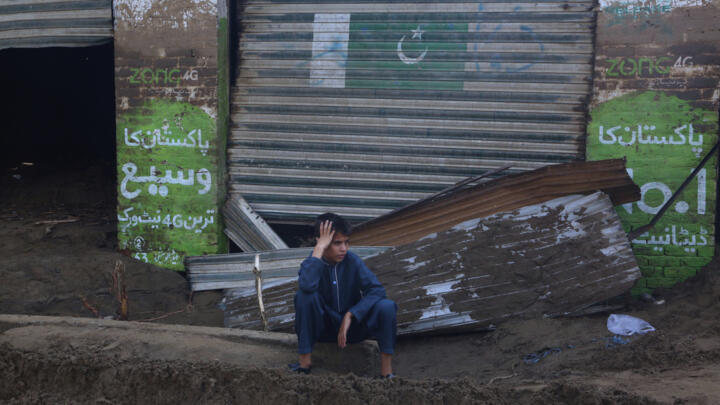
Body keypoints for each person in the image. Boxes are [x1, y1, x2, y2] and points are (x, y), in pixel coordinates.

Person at [288, 213, 397, 378]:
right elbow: (307, 286)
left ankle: (386, 373)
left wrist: (351, 314)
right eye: (337, 243)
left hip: (351, 330)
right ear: (322, 243)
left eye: (346, 242)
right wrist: (318, 249)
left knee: (386, 306)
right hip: (323, 329)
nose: (344, 249)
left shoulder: (352, 261)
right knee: (304, 296)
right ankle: (304, 364)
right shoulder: (311, 263)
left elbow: (377, 290)